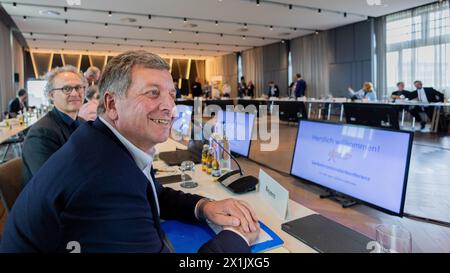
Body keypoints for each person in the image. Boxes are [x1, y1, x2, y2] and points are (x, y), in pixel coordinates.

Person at [0, 50, 260, 253]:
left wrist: (204, 206)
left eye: (171, 95)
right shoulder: (106, 180)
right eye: (153, 93)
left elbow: (153, 194)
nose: (169, 106)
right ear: (112, 104)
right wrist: (236, 239)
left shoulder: (102, 141)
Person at [21, 65, 86, 184]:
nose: (75, 93)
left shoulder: (84, 124)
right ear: (51, 95)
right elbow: (52, 184)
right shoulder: (41, 134)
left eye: (78, 87)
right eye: (66, 89)